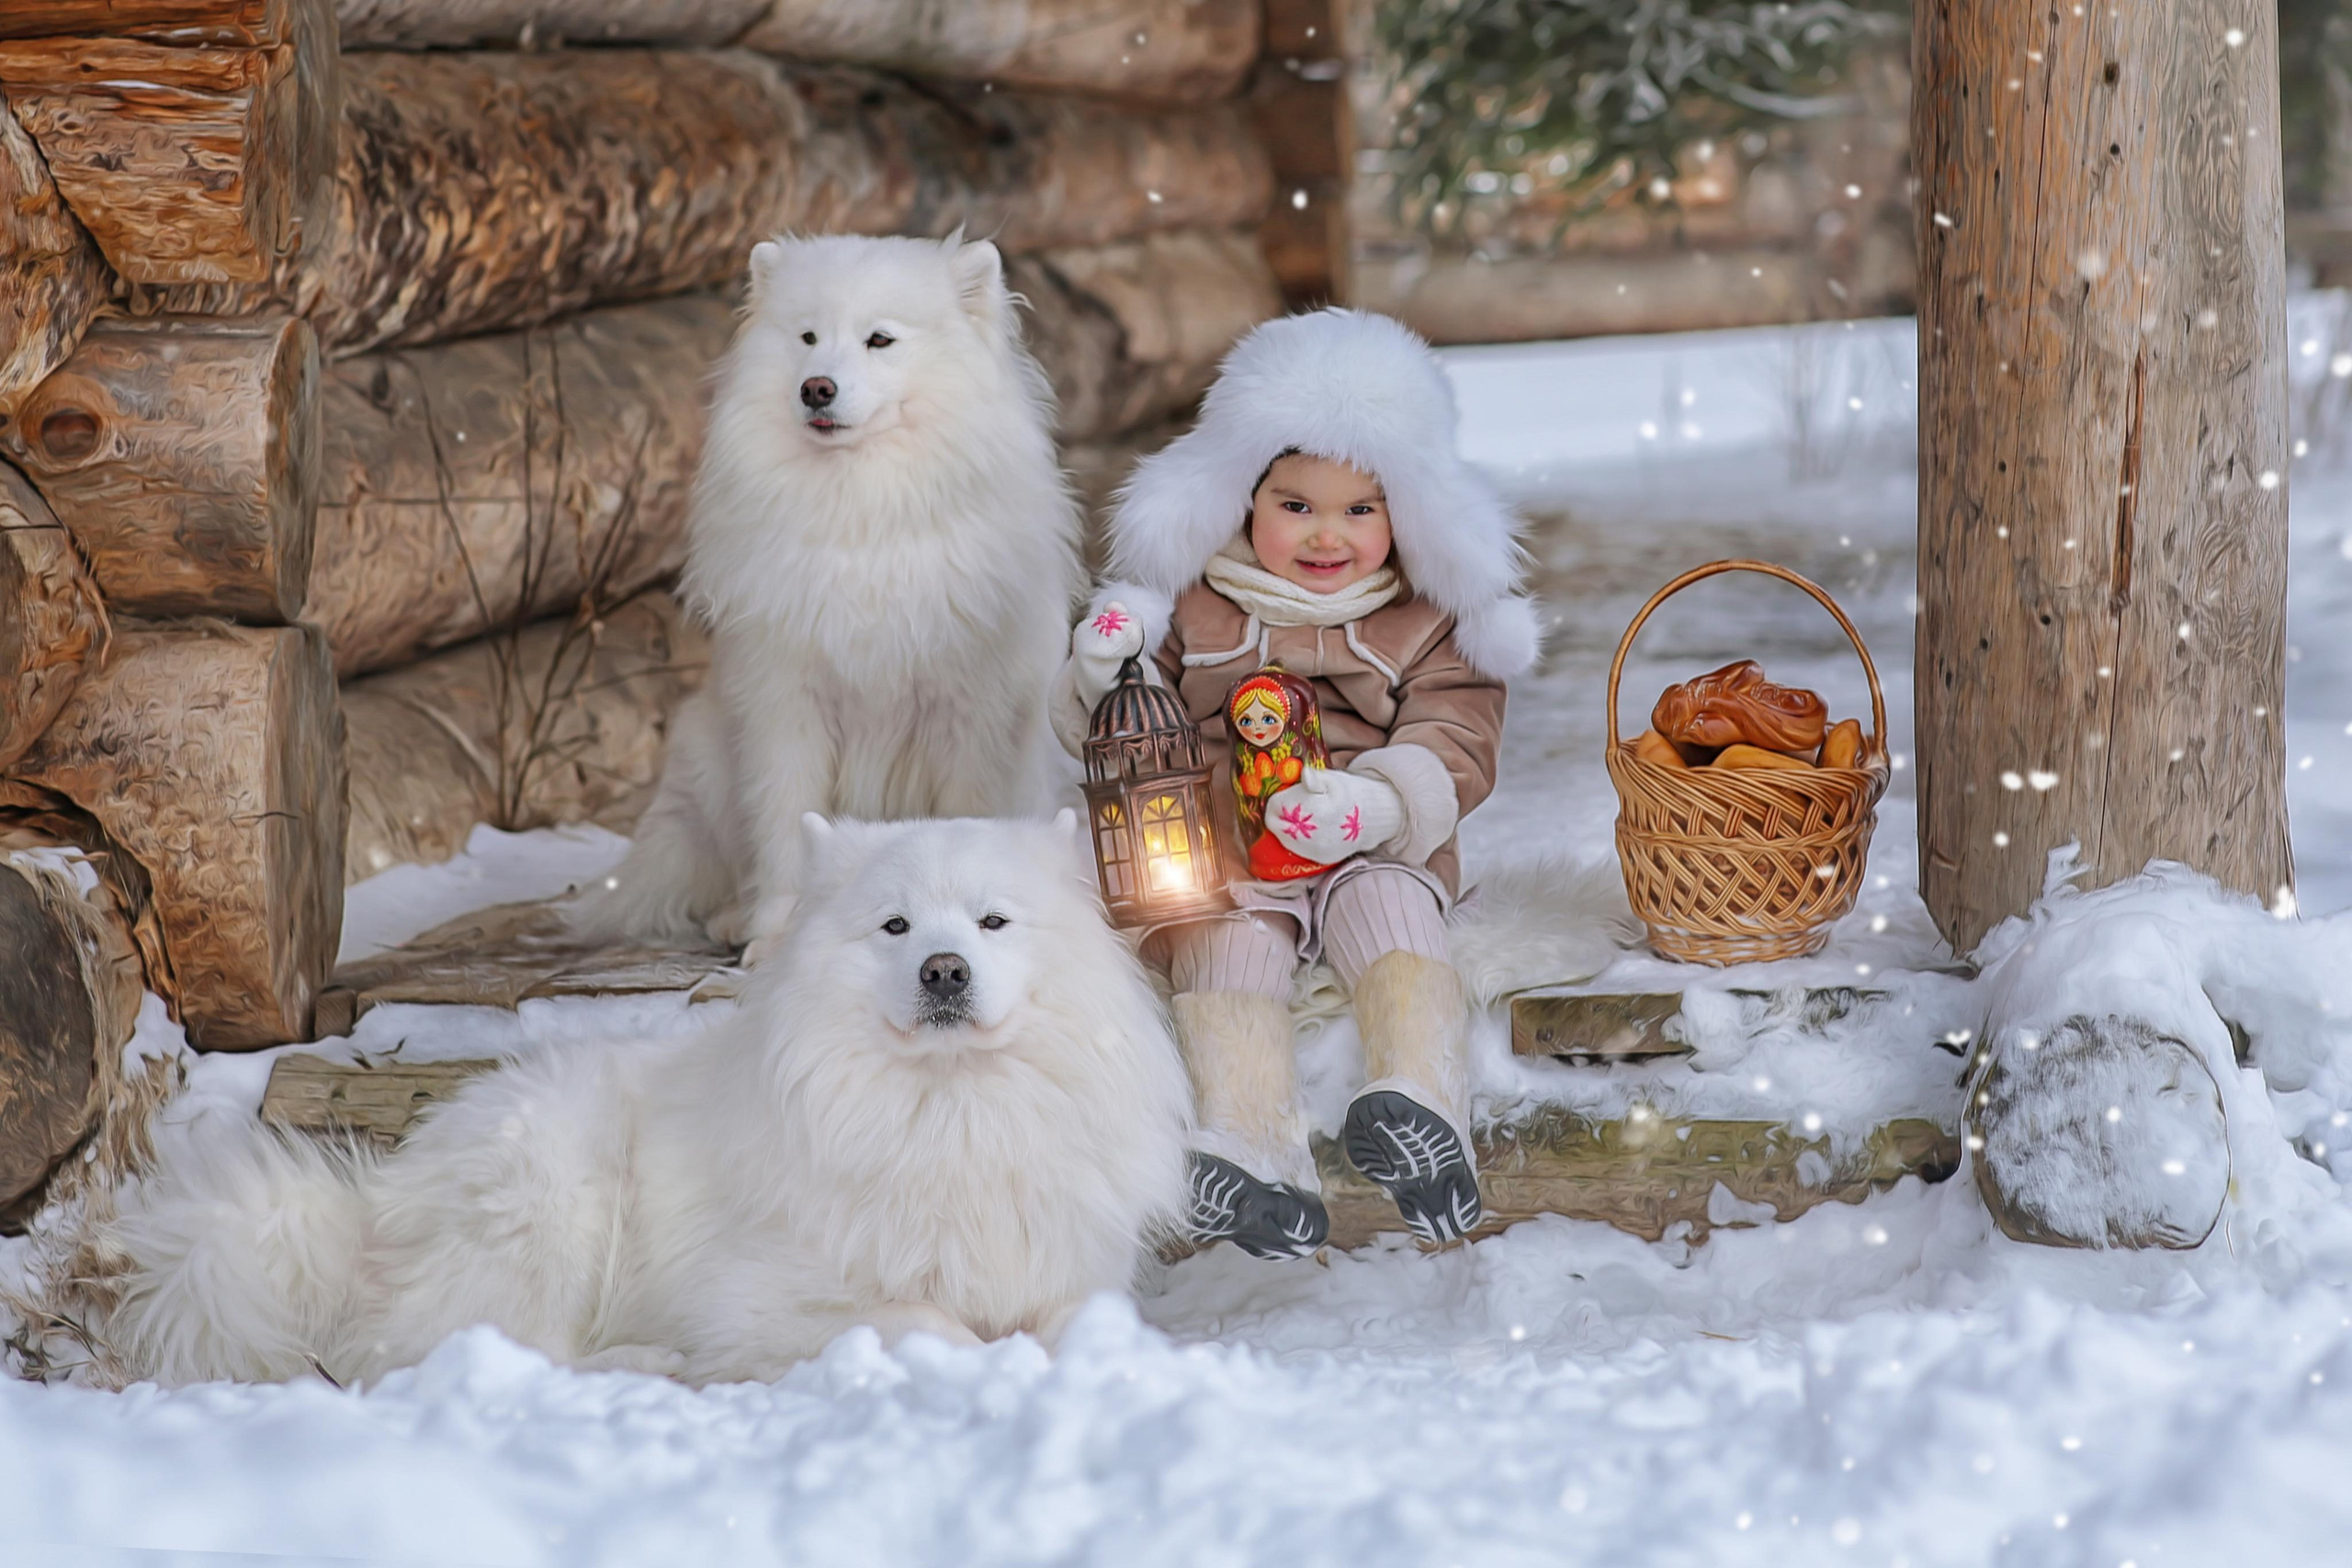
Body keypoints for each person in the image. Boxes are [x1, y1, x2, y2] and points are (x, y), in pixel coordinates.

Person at [1052, 308, 1542, 1256]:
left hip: (1368, 840)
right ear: (1238, 499)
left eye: (1361, 509)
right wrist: (1103, 670)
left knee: (1393, 913)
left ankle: (1419, 1102)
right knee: (1227, 944)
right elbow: (1126, 732)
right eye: (1295, 505)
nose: (1328, 535)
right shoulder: (1190, 603)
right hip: (1232, 851)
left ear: (1410, 513)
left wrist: (1382, 803)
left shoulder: (1429, 619)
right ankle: (1250, 1147)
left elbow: (1457, 732)